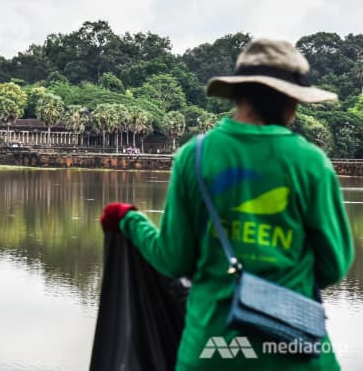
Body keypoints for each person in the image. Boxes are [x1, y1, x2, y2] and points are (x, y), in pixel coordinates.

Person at [100, 38, 354, 370]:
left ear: (238, 95)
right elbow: (333, 266)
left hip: (212, 352)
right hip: (296, 353)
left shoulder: (195, 156)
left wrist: (129, 220)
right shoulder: (311, 163)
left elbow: (173, 260)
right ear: (290, 102)